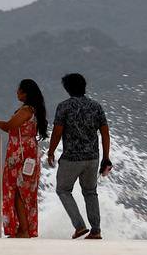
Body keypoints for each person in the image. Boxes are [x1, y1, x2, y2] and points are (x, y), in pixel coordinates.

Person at [47, 73, 111, 240]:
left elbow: (57, 131)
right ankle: (96, 230)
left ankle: (80, 226)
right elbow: (105, 133)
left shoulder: (64, 107)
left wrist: (51, 151)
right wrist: (106, 157)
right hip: (92, 158)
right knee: (90, 192)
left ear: (67, 89)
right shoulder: (96, 106)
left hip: (72, 158)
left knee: (63, 189)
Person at [0, 79, 48, 238]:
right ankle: (23, 229)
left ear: (26, 93)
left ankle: (23, 230)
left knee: (18, 192)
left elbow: (9, 126)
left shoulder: (26, 111)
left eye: (19, 90)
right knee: (24, 192)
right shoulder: (34, 110)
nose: (17, 93)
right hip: (27, 153)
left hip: (21, 154)